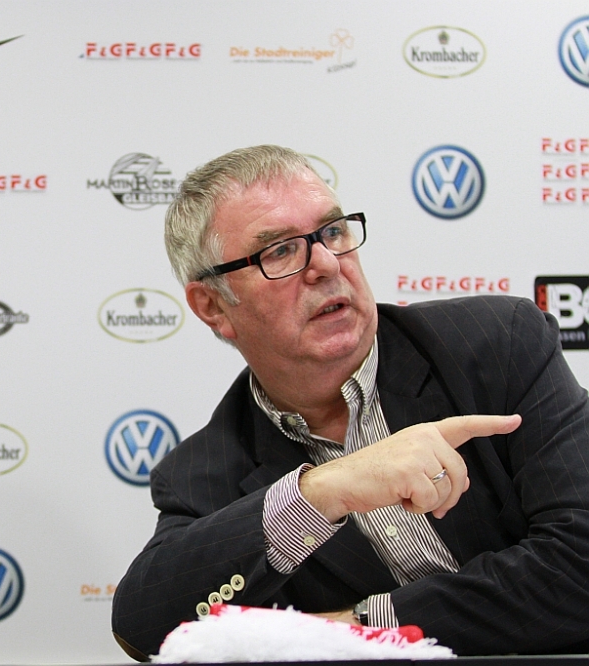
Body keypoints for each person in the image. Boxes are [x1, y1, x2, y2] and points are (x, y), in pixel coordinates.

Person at [110, 145, 589, 659]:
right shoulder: (203, 473)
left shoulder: (499, 344)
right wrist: (318, 493)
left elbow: (580, 561)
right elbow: (146, 630)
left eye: (333, 232)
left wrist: (360, 626)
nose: (325, 263)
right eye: (280, 252)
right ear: (213, 306)